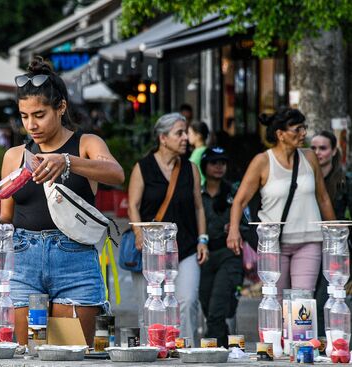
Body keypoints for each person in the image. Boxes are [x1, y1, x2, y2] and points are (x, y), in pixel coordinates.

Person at [0, 57, 124, 347]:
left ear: (61, 108)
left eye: (39, 114)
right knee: (27, 355)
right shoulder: (14, 156)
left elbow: (116, 173)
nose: (31, 125)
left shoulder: (85, 144)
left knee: (70, 355)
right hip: (23, 261)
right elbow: (7, 217)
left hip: (74, 260)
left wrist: (67, 161)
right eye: (24, 116)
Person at [227, 108, 335, 296]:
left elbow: (323, 198)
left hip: (310, 240)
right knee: (276, 302)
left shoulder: (309, 157)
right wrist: (234, 231)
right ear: (280, 134)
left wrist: (335, 233)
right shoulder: (262, 162)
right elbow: (240, 200)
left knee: (302, 302)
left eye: (304, 128)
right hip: (274, 243)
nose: (303, 134)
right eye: (297, 129)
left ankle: (299, 328)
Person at [127, 113, 208, 346]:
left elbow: (198, 206)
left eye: (185, 132)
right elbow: (133, 205)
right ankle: (152, 351)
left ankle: (187, 350)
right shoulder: (143, 167)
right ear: (163, 138)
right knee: (151, 307)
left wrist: (203, 239)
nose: (185, 138)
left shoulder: (190, 168)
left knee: (187, 301)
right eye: (179, 133)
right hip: (151, 250)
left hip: (186, 247)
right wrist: (139, 234)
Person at [198, 147, 250, 347]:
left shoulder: (234, 192)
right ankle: (227, 348)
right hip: (204, 256)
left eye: (223, 162)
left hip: (229, 255)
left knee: (217, 311)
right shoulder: (198, 193)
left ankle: (217, 353)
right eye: (214, 162)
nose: (219, 166)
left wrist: (236, 227)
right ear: (205, 166)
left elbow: (248, 222)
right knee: (206, 305)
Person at [311, 130, 352, 335]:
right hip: (307, 245)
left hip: (336, 250)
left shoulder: (344, 181)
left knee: (325, 300)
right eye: (313, 148)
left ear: (334, 150)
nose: (318, 152)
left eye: (323, 148)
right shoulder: (304, 179)